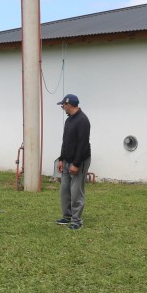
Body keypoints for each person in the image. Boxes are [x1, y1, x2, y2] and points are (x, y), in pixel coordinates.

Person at [55, 94, 92, 230]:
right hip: (66, 160)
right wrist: (61, 159)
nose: (62, 107)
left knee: (76, 192)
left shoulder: (82, 121)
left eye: (63, 105)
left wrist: (76, 164)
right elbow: (66, 142)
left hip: (79, 161)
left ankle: (77, 221)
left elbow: (82, 144)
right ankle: (67, 216)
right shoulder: (69, 120)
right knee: (65, 191)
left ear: (68, 105)